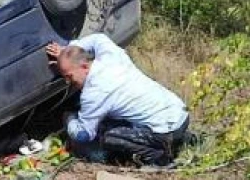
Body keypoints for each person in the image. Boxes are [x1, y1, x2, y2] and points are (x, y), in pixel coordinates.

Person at [46, 33, 190, 166]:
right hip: (181, 114)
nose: (67, 82)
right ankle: (182, 139)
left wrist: (69, 118)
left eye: (69, 76)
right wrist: (70, 49)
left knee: (110, 137)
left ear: (84, 66)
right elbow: (98, 39)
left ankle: (159, 157)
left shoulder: (95, 92)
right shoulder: (110, 56)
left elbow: (84, 134)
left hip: (166, 132)